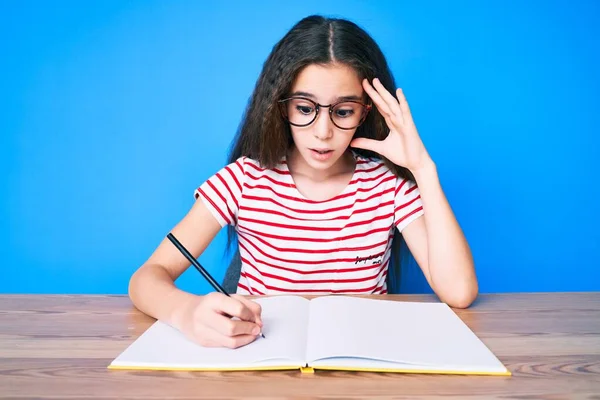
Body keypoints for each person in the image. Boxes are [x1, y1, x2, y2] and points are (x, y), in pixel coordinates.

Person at [128, 14, 478, 349]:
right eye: (305, 108)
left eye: (343, 111)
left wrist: (422, 168)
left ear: (366, 111)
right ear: (282, 107)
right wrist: (187, 312)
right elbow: (146, 278)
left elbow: (459, 292)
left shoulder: (388, 187)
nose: (323, 133)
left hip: (362, 369)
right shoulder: (243, 180)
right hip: (260, 362)